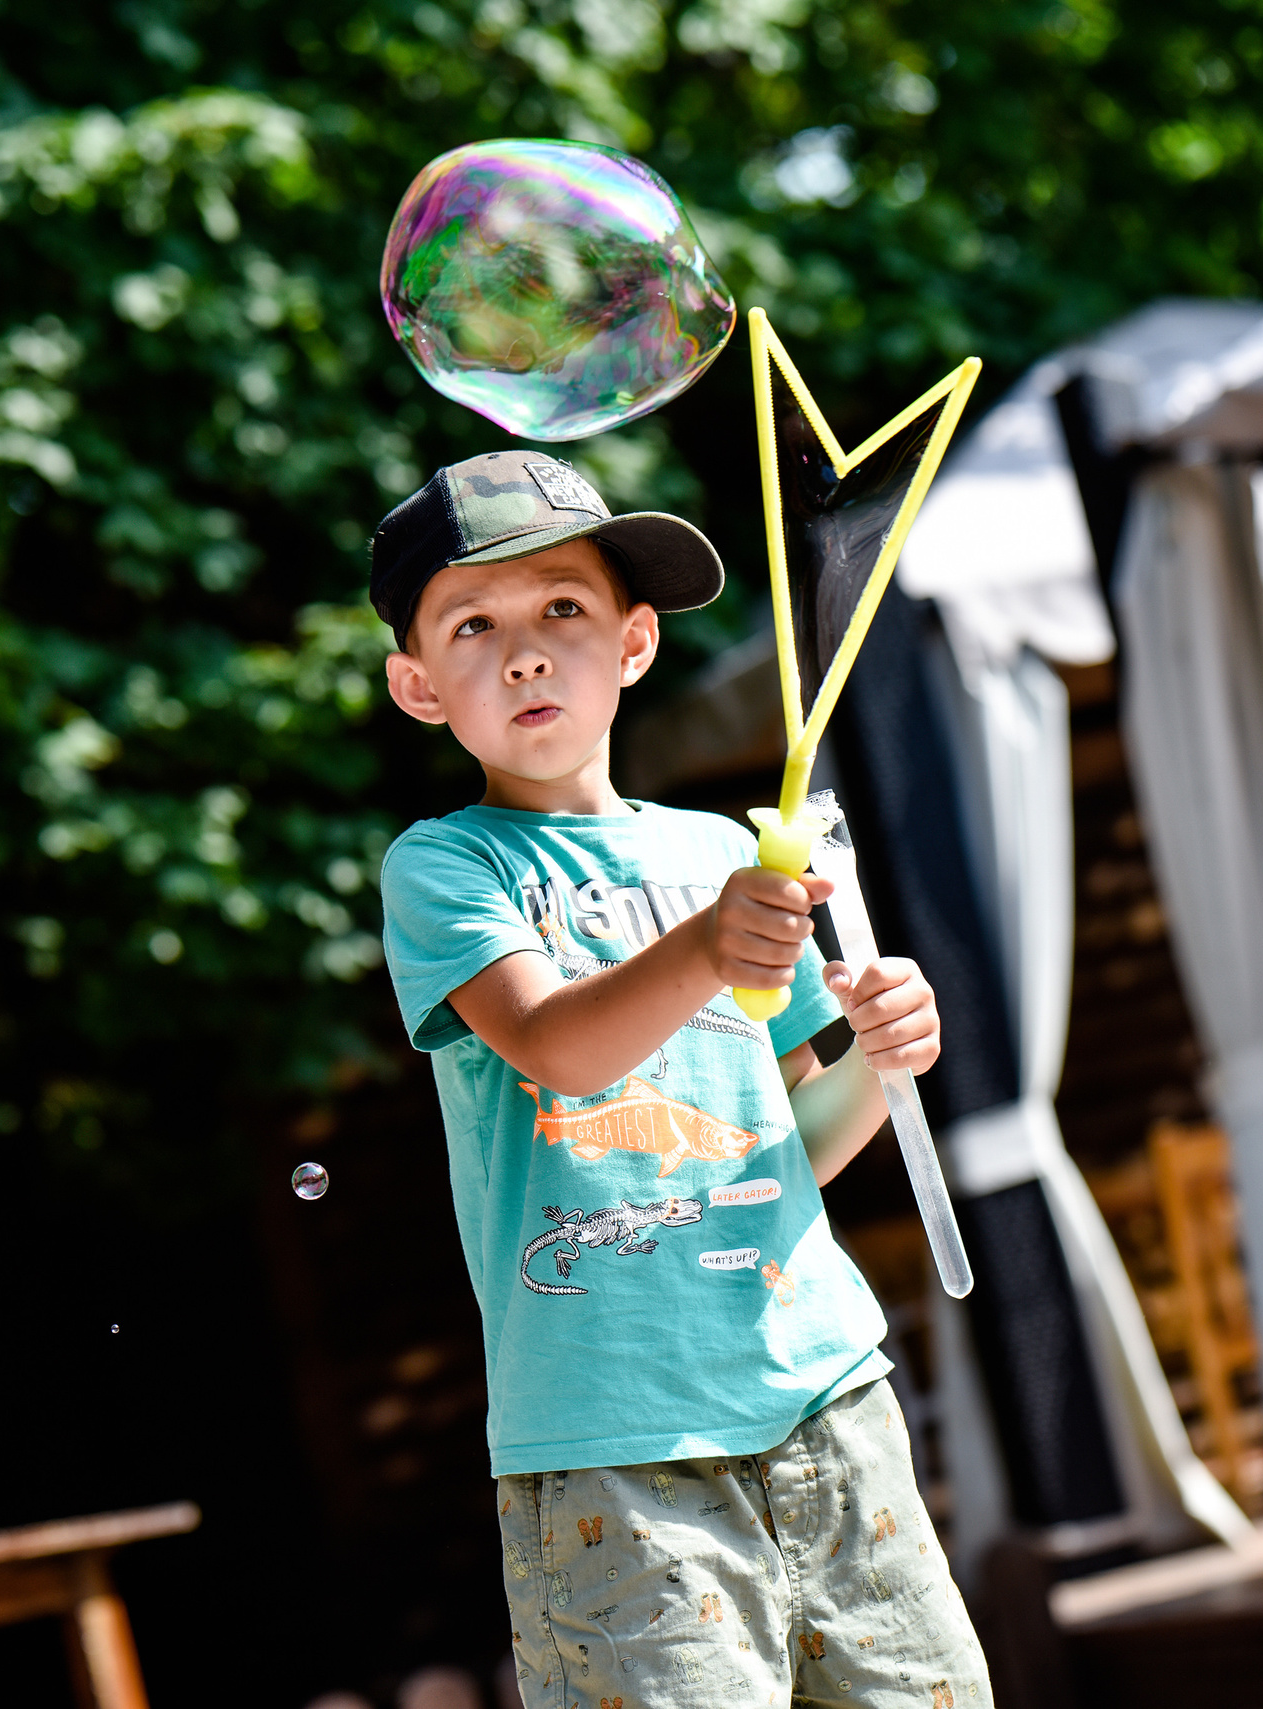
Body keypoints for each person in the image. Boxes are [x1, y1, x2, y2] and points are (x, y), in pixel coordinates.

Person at [374, 450, 991, 1709]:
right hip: (614, 1444)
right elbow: (558, 1045)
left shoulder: (716, 850)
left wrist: (884, 1057)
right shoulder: (445, 867)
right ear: (418, 685)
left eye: (563, 610)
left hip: (824, 1395)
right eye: (473, 626)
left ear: (635, 642)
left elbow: (792, 1138)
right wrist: (708, 941)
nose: (527, 653)